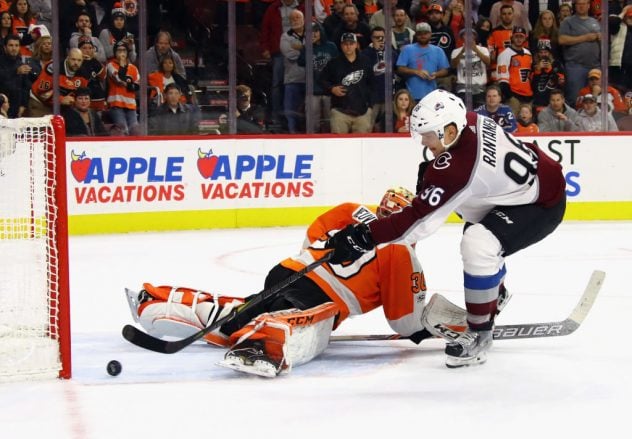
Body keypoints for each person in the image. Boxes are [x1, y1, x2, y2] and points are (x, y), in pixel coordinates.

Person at [324, 89, 567, 368]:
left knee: (478, 245)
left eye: (428, 134)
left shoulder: (457, 168)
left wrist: (364, 237)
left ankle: (479, 335)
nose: (424, 142)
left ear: (449, 130)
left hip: (541, 205)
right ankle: (493, 293)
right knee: (474, 218)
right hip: (522, 187)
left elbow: (417, 225)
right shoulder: (472, 119)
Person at [126, 188, 460, 377]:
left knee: (246, 309)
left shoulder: (353, 209)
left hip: (289, 270)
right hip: (321, 298)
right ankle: (260, 343)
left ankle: (159, 301)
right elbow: (403, 321)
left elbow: (314, 232)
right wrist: (424, 327)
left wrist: (308, 265)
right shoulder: (401, 250)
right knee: (295, 323)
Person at [319, 32, 374, 133]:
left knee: (361, 146)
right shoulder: (333, 63)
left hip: (362, 112)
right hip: (340, 112)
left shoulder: (366, 61)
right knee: (339, 146)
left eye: (351, 43)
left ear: (356, 45)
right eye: (345, 44)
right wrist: (332, 88)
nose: (348, 46)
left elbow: (372, 84)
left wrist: (369, 106)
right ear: (341, 45)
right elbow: (322, 80)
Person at [297, 21, 338, 133]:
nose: (313, 34)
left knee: (330, 121)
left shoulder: (331, 46)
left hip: (329, 90)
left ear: (321, 32)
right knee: (312, 123)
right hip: (313, 90)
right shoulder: (306, 48)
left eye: (316, 31)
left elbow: (338, 65)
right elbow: (300, 62)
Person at [558, 0, 600, 106]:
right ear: (575, 6)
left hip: (595, 66)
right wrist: (585, 37)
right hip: (575, 66)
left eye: (584, 3)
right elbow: (562, 40)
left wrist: (601, 37)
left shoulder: (595, 22)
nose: (581, 6)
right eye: (579, 4)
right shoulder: (567, 22)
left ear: (589, 5)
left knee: (595, 98)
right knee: (574, 98)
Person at [396, 22, 450, 102]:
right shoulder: (407, 49)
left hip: (432, 95)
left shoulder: (438, 50)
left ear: (430, 34)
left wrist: (435, 74)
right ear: (416, 35)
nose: (423, 35)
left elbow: (445, 70)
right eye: (420, 33)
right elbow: (399, 68)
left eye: (425, 33)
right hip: (411, 96)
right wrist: (416, 72)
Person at [28, 47, 88, 117]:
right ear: (68, 58)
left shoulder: (84, 74)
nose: (76, 63)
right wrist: (61, 99)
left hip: (61, 107)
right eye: (73, 59)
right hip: (40, 103)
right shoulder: (53, 68)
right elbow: (42, 92)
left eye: (79, 60)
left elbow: (81, 94)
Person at [279, 8, 306, 133]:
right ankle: (292, 135)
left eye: (298, 17)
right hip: (292, 80)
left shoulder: (312, 34)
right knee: (291, 113)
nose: (295, 20)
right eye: (292, 18)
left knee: (309, 114)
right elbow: (290, 54)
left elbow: (315, 52)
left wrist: (300, 48)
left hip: (310, 82)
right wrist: (307, 49)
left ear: (304, 19)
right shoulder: (285, 36)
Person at [497, 26, 533, 115]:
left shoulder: (528, 53)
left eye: (521, 36)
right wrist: (510, 97)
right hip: (514, 96)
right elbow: (502, 81)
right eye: (516, 36)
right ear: (512, 37)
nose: (519, 39)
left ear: (525, 38)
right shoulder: (504, 54)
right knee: (512, 123)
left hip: (528, 96)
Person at [106, 41, 139, 136]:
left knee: (135, 131)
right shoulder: (110, 65)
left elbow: (137, 85)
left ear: (127, 52)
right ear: (115, 53)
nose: (122, 53)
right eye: (119, 50)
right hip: (116, 104)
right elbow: (118, 79)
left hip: (131, 105)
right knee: (123, 132)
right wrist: (122, 65)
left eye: (124, 50)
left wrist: (128, 85)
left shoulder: (133, 68)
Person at [451, 27, 490, 108]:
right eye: (465, 35)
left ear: (474, 36)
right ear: (462, 37)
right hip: (463, 89)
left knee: (479, 114)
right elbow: (453, 65)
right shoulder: (456, 51)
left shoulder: (483, 49)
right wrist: (462, 51)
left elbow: (488, 62)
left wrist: (476, 50)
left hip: (480, 89)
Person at [361, 26, 389, 131]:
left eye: (382, 37)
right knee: (369, 126)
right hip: (372, 98)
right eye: (376, 37)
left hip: (387, 97)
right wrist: (375, 52)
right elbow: (364, 71)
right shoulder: (365, 53)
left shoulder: (391, 51)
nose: (380, 40)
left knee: (387, 127)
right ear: (371, 38)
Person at [530, 37, 565, 114]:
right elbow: (532, 87)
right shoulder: (533, 65)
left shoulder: (557, 64)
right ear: (538, 53)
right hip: (538, 103)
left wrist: (551, 71)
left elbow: (561, 85)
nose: (543, 55)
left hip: (554, 104)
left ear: (549, 53)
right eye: (541, 52)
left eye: (545, 52)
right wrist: (537, 72)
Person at [0, 34, 31, 117]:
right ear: (4, 47)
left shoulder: (20, 63)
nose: (14, 48)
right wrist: (15, 72)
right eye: (11, 45)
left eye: (16, 45)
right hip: (2, 105)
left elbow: (26, 87)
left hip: (16, 108)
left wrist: (23, 105)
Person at [608, 5, 632, 91]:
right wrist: (624, 11)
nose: (631, 19)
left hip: (630, 68)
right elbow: (612, 23)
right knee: (617, 91)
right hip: (617, 66)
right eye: (629, 17)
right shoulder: (618, 27)